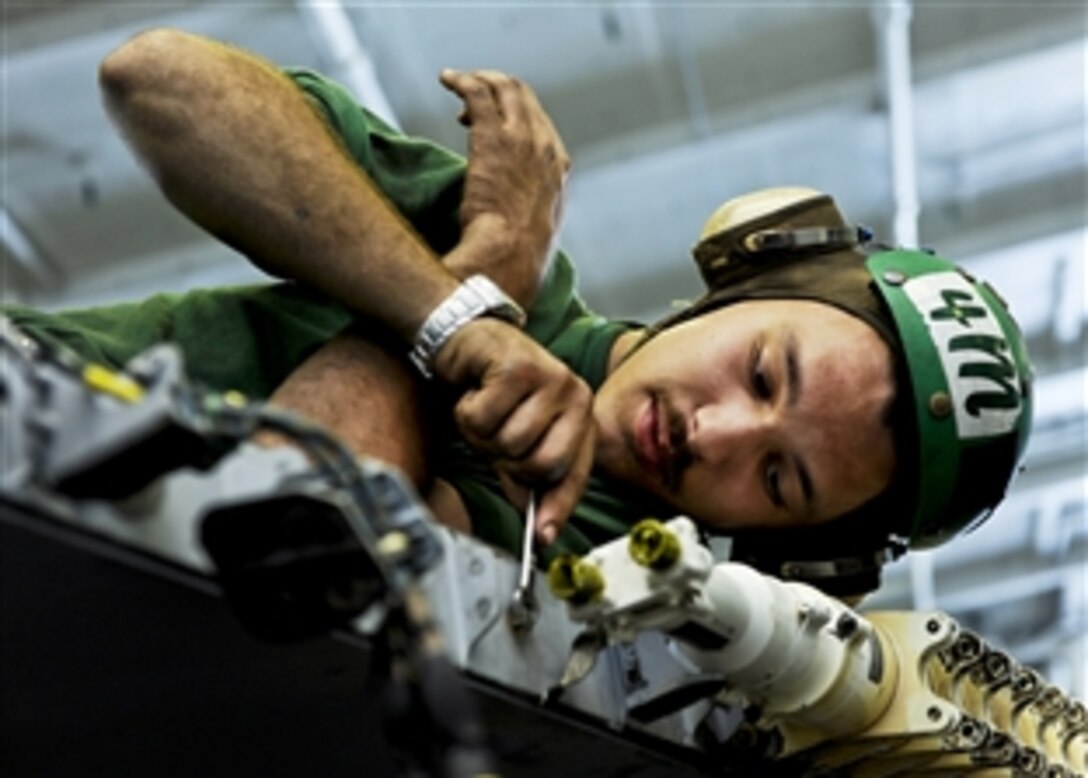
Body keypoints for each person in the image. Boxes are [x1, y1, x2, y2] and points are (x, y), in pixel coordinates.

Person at [3, 29, 1034, 596]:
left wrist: (473, 292)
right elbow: (157, 84)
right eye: (762, 372)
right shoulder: (503, 255)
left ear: (795, 551)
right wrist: (464, 306)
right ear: (747, 273)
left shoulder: (594, 568)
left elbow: (283, 520)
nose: (708, 430)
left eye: (777, 477)